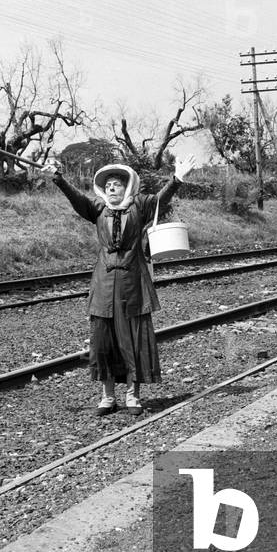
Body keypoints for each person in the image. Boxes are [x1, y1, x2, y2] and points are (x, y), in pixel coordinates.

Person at [43, 154, 196, 417]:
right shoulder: (98, 209)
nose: (112, 188)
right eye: (109, 185)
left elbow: (161, 200)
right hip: (103, 283)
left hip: (133, 283)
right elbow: (76, 199)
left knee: (132, 338)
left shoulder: (140, 206)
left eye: (117, 184)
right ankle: (108, 395)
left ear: (128, 187)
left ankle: (132, 395)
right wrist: (58, 179)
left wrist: (176, 180)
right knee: (103, 339)